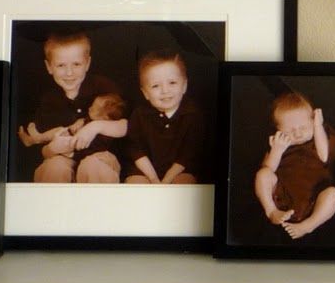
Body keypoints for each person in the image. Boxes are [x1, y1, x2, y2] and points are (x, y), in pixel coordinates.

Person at [16, 31, 127, 183]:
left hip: (100, 156)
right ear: (49, 67)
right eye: (61, 65)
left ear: (87, 63)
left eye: (76, 64)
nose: (69, 73)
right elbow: (43, 150)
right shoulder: (49, 100)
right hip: (63, 157)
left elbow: (125, 126)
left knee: (92, 166)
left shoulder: (103, 87)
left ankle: (100, 206)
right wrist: (52, 149)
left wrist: (94, 127)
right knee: (53, 167)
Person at [254, 91, 335, 240]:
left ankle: (308, 225)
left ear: (312, 122)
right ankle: (271, 212)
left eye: (304, 128)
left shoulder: (319, 139)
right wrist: (277, 150)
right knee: (262, 175)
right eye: (290, 131)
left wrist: (318, 126)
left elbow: (324, 156)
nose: (298, 134)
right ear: (279, 130)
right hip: (282, 195)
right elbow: (268, 170)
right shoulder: (279, 144)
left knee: (333, 194)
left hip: (315, 197)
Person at [124, 52, 206, 185]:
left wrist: (166, 181)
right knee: (135, 185)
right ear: (145, 93)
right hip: (145, 171)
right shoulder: (139, 115)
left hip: (179, 170)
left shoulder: (192, 115)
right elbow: (136, 150)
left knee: (185, 184)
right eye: (156, 86)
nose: (165, 90)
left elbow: (187, 155)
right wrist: (154, 179)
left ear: (184, 86)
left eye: (172, 83)